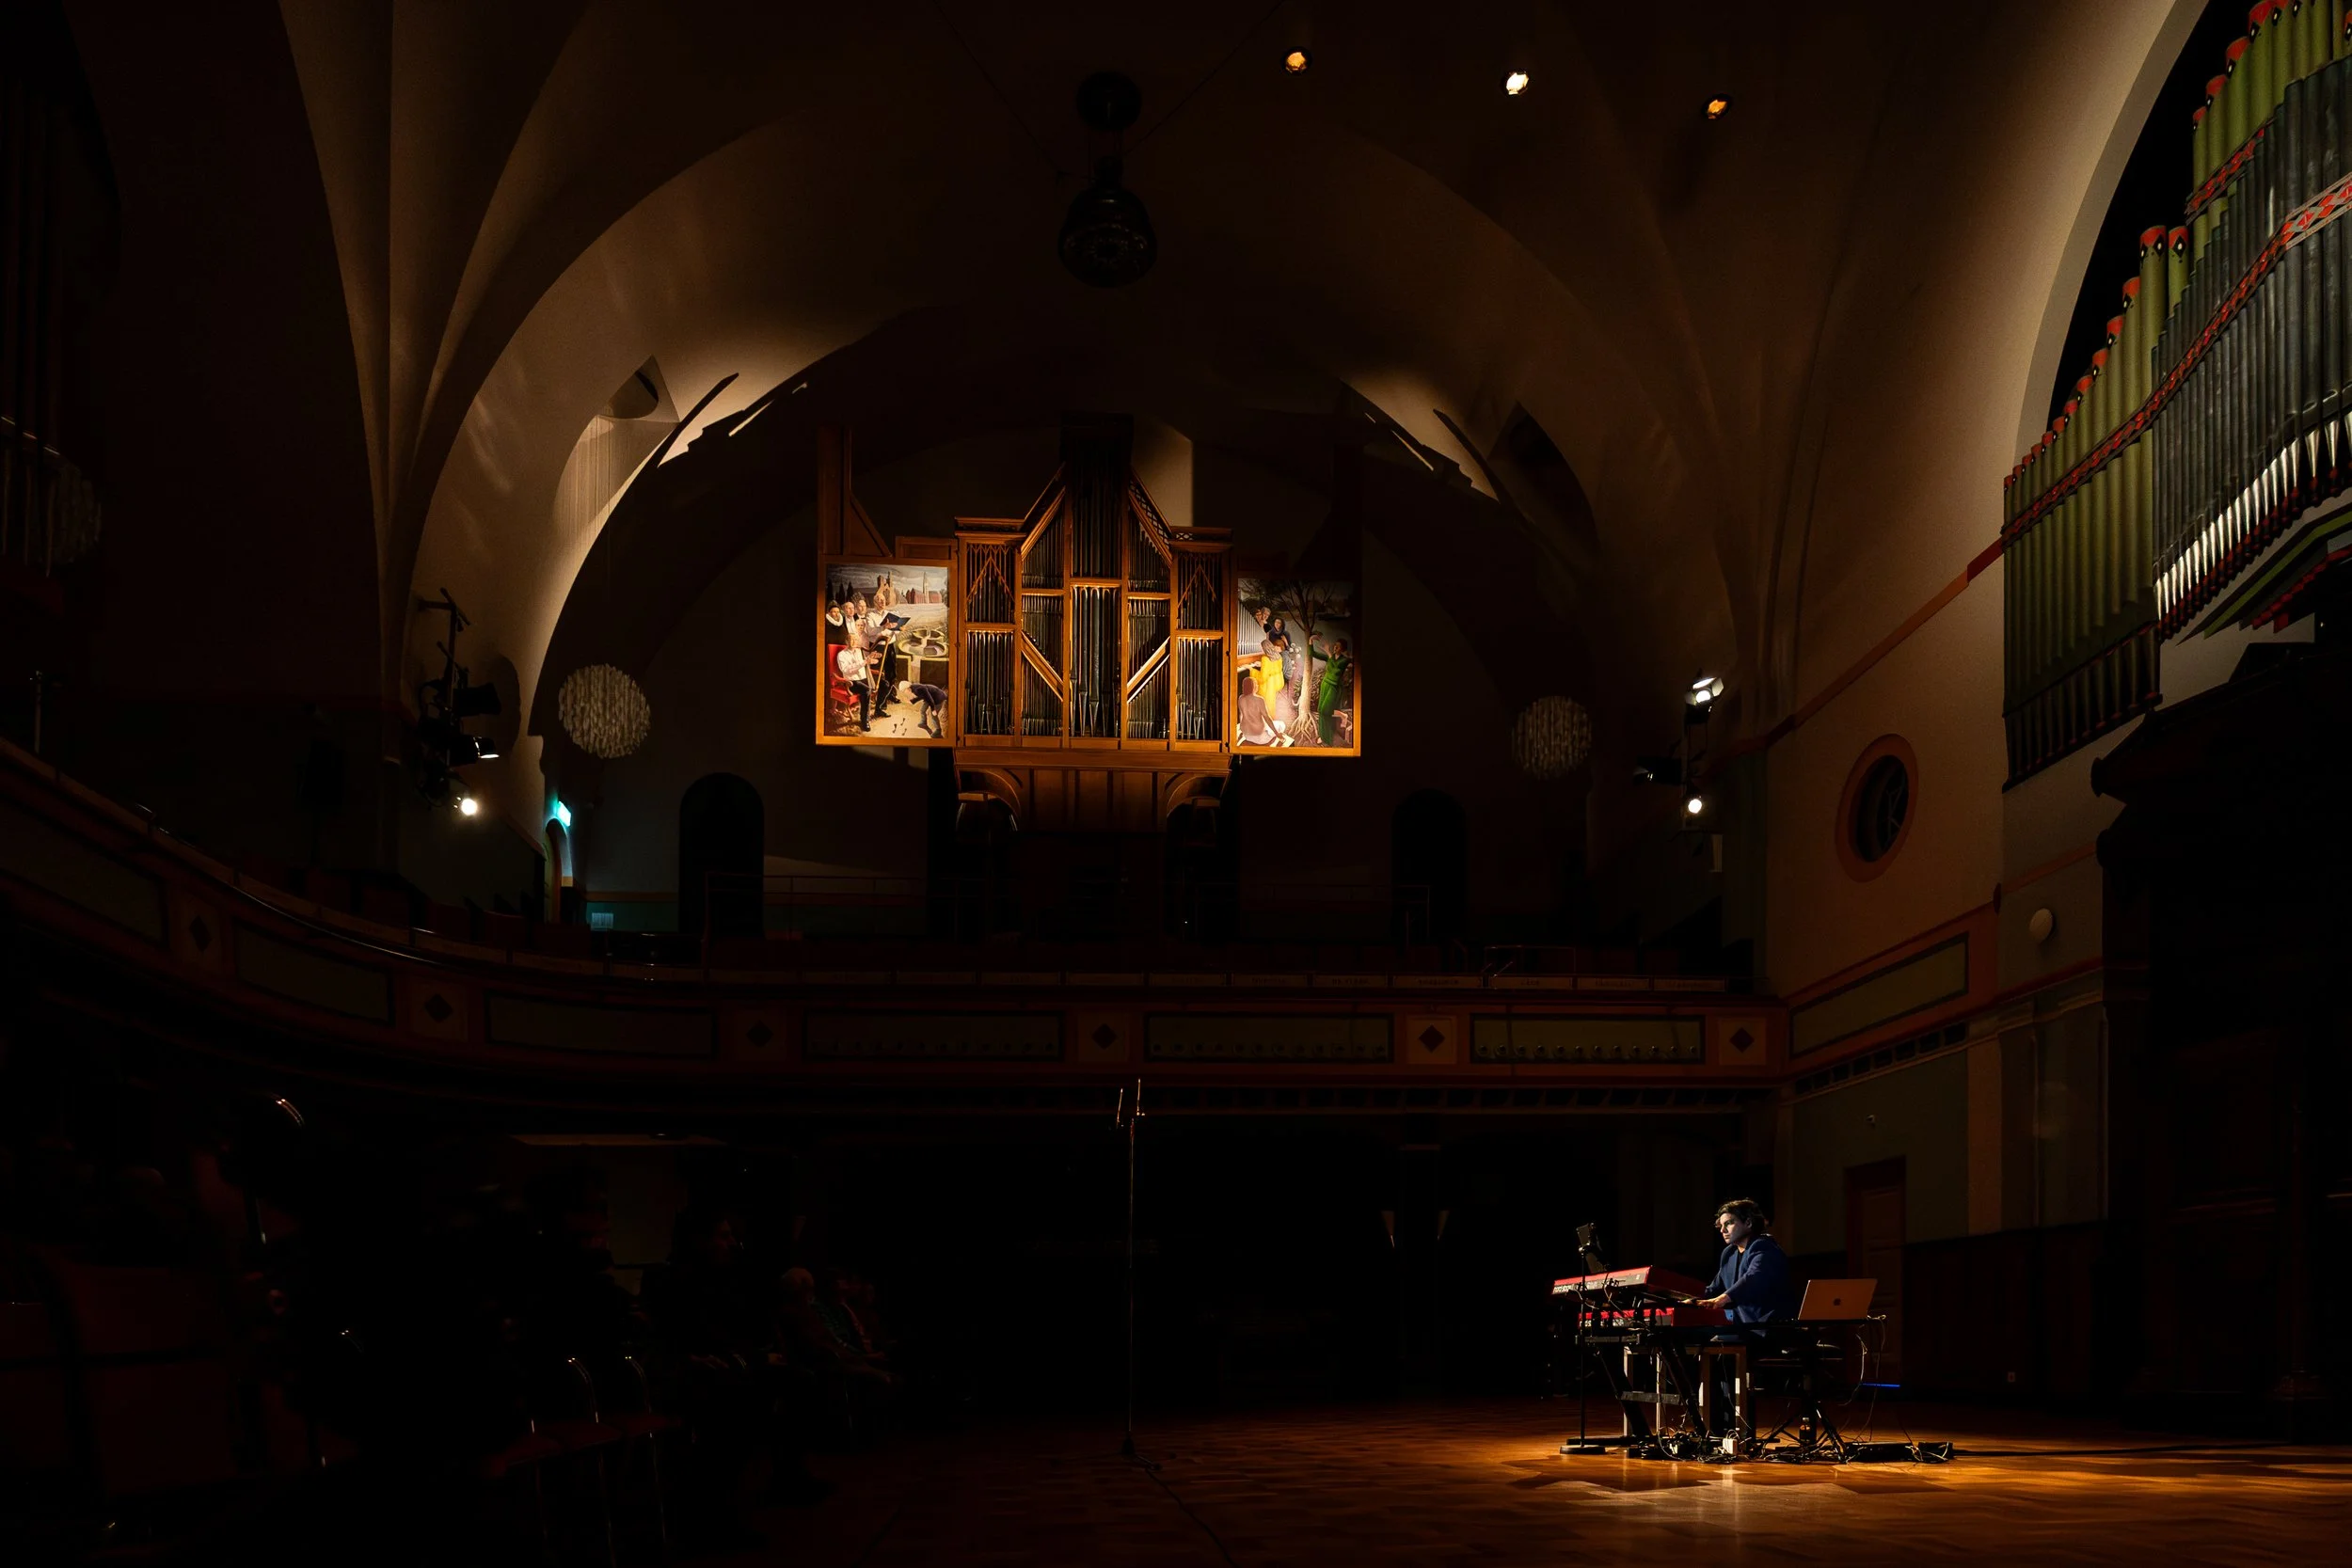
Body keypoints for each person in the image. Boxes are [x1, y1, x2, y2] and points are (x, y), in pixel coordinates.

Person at [1694, 1198, 1796, 1323]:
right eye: (1721, 1226)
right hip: (1743, 1326)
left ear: (1748, 1223)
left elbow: (1754, 1276)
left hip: (1770, 1326)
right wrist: (1689, 1299)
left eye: (1729, 1223)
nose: (1722, 1230)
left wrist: (1721, 1299)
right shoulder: (1729, 1253)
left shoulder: (1764, 1246)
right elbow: (1714, 1288)